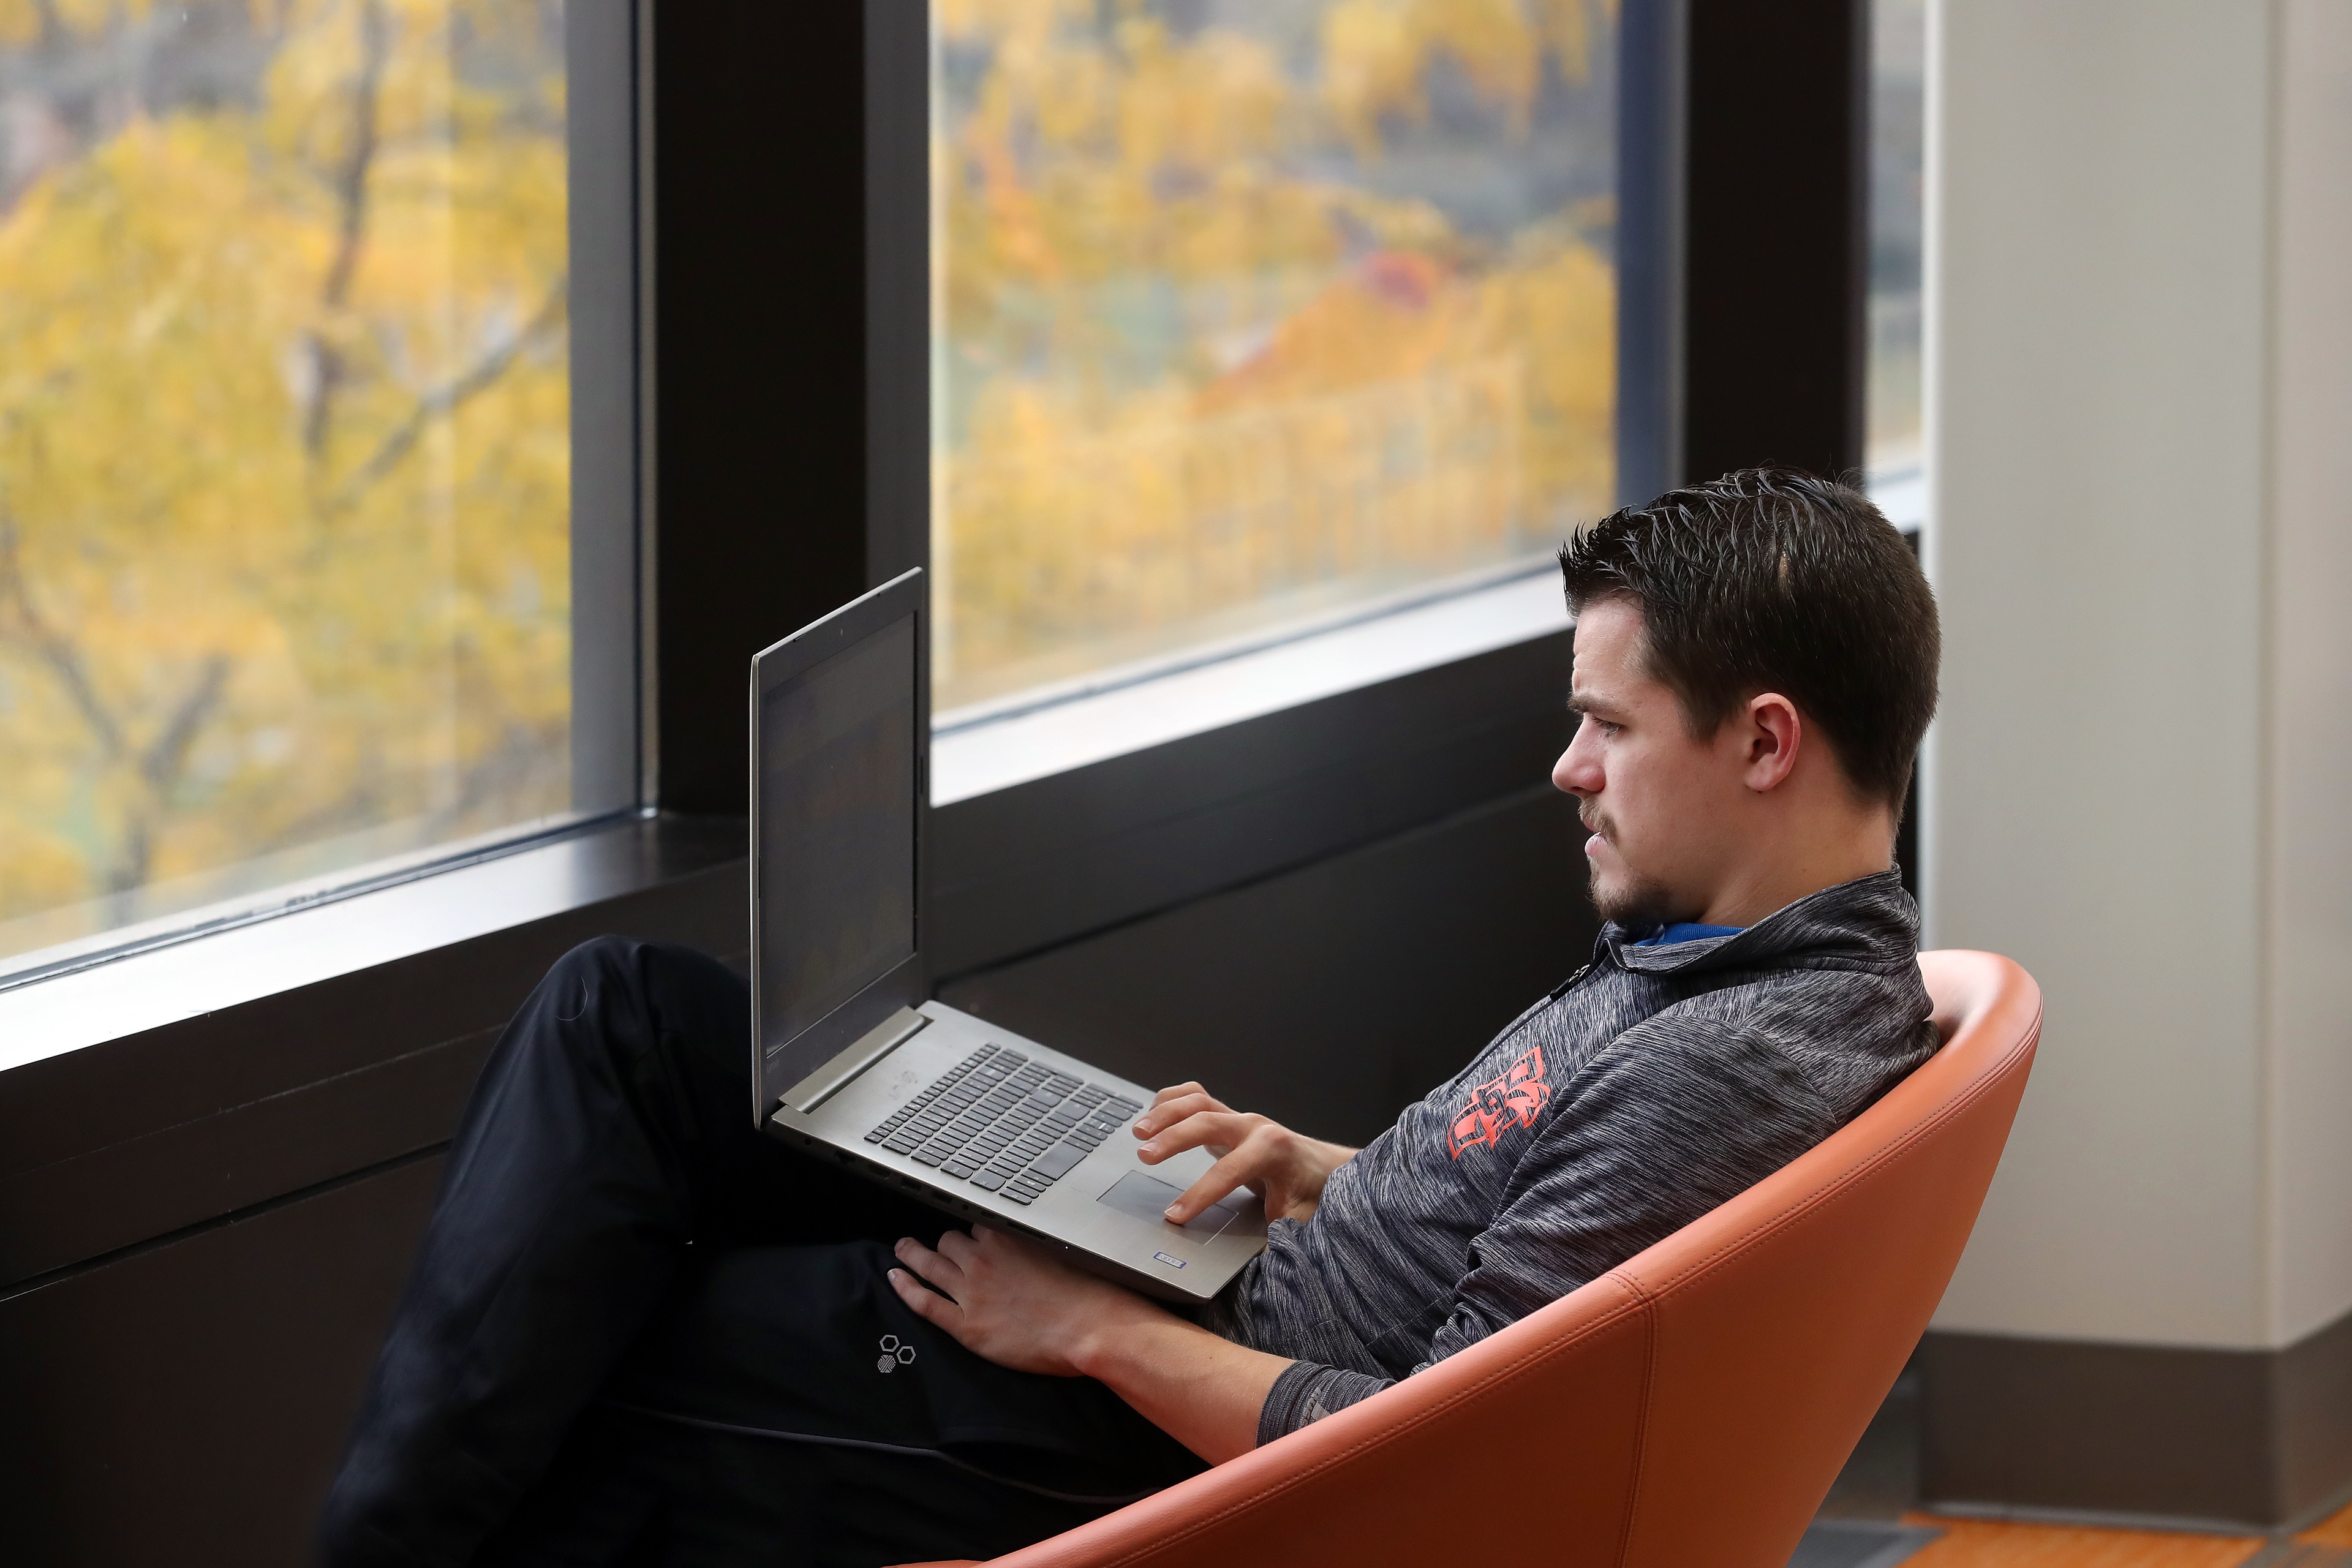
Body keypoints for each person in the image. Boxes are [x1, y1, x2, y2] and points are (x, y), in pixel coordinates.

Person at [319, 468, 1943, 1567]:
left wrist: (1088, 1329)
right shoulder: (1764, 955)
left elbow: (1433, 1442)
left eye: (1605, 725)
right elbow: (1537, 1232)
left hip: (1161, 1422)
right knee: (630, 1023)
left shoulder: (1721, 1064)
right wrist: (1306, 1166)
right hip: (1227, 1273)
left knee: (585, 1345)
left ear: (1767, 742)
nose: (1566, 771)